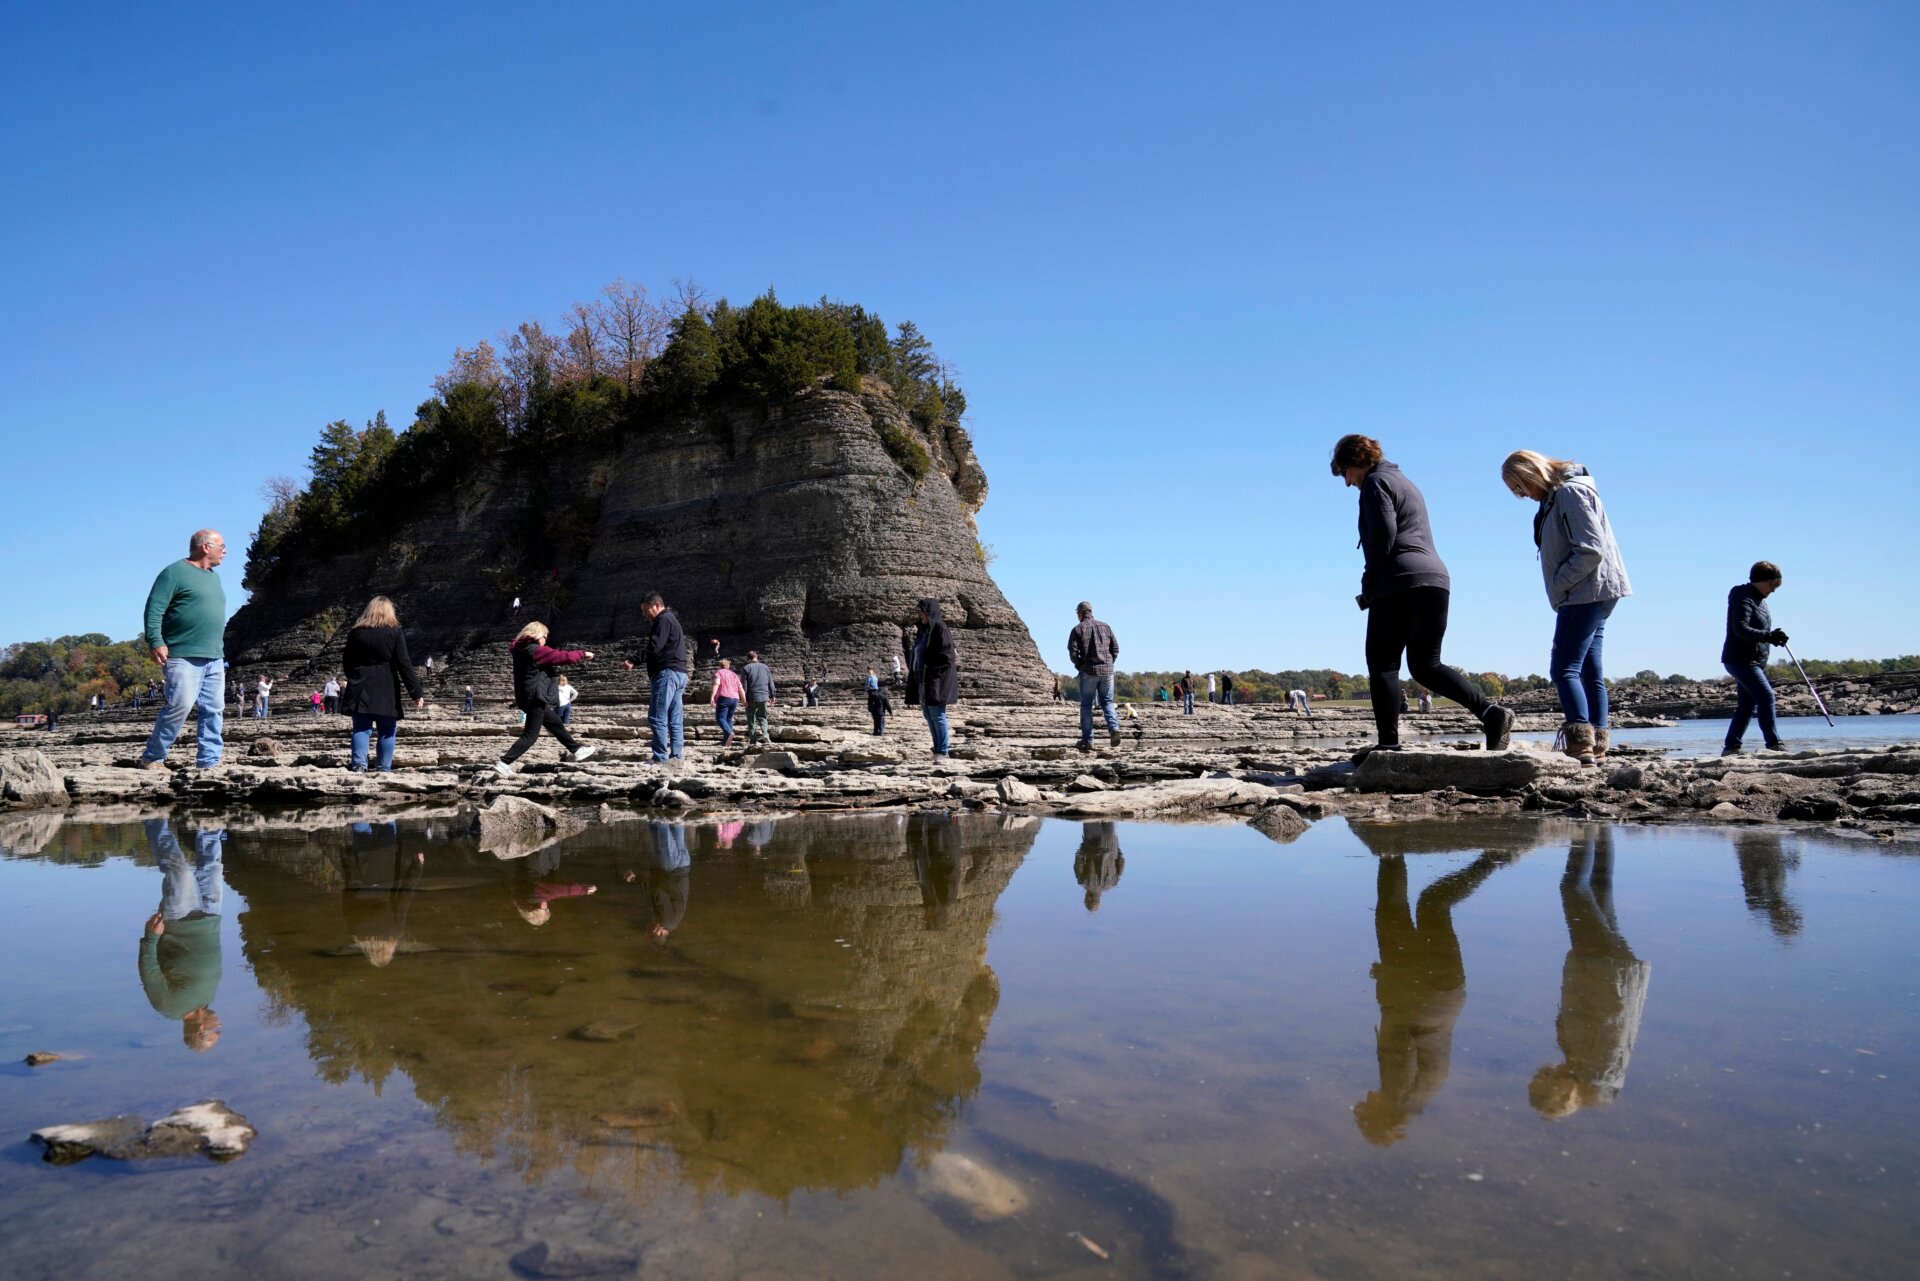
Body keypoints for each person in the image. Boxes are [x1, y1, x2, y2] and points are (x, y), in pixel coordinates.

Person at [1332, 434, 1514, 760]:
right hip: (1436, 580)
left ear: (1355, 461)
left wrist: (1369, 582)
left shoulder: (1376, 482)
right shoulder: (1405, 481)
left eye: (1345, 472)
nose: (1348, 483)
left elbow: (1383, 537)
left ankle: (1388, 745)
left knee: (1383, 663)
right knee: (1426, 665)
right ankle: (1490, 714)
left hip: (1401, 581)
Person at [1353, 846, 1514, 1146]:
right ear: (1378, 1114)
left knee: (1433, 905)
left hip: (1447, 992)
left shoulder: (1416, 1101)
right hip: (1417, 992)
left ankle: (1488, 862)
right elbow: (1401, 1039)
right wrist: (1389, 980)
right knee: (1399, 907)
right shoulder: (1398, 1090)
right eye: (1365, 1107)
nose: (1364, 1098)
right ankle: (1391, 848)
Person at [1503, 450, 1634, 767]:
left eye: (1520, 487)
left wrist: (1560, 583)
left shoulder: (1570, 492)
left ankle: (1581, 744)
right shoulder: (1557, 496)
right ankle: (1597, 747)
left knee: (1563, 668)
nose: (1521, 496)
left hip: (1585, 592)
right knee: (1590, 670)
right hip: (1592, 591)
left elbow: (1591, 550)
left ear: (1532, 473)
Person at [1530, 827, 1651, 1119]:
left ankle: (1599, 823)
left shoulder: (1586, 1069)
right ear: (1560, 1090)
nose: (1543, 1071)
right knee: (1573, 889)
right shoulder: (1594, 1068)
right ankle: (1583, 827)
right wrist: (1587, 961)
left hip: (1611, 970)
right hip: (1603, 968)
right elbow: (1610, 1016)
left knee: (1598, 888)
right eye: (1543, 1078)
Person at [137, 529, 229, 771]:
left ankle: (209, 761)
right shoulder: (174, 572)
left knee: (214, 710)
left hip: (215, 656)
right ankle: (153, 757)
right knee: (180, 705)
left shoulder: (214, 577)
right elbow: (153, 609)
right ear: (205, 547)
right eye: (222, 546)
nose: (225, 551)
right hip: (182, 654)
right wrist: (155, 640)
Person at [138, 818, 225, 1052]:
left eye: (216, 1030)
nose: (220, 1025)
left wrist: (151, 938)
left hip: (179, 919)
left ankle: (153, 815)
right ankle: (209, 820)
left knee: (179, 869)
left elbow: (150, 973)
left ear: (200, 1030)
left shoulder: (168, 1007)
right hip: (211, 916)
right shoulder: (206, 1000)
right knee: (212, 865)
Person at [494, 621, 598, 775]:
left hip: (528, 696)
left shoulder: (521, 649)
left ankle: (576, 749)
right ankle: (504, 762)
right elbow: (561, 656)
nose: (545, 640)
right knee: (530, 735)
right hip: (535, 697)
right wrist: (582, 654)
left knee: (555, 723)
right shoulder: (534, 650)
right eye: (545, 636)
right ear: (537, 635)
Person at [340, 595, 426, 773]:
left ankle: (358, 766)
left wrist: (355, 676)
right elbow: (404, 663)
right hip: (386, 685)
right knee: (387, 730)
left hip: (361, 684)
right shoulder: (394, 632)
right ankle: (384, 768)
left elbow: (347, 661)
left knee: (361, 729)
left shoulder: (356, 632)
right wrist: (415, 692)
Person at [1722, 560, 1790, 755]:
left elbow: (1760, 631)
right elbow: (1740, 629)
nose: (1774, 590)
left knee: (1747, 704)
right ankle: (1774, 744)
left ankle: (1731, 747)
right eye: (1773, 584)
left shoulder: (1762, 602)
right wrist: (1768, 636)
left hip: (1755, 661)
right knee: (1766, 695)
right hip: (1739, 659)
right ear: (1761, 580)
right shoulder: (1741, 595)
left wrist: (1774, 636)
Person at [621, 592, 688, 764]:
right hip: (679, 673)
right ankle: (677, 756)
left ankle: (660, 758)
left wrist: (633, 660)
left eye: (646, 609)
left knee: (657, 717)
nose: (644, 614)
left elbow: (654, 647)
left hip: (667, 673)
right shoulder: (672, 620)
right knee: (674, 718)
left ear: (657, 605)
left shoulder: (663, 620)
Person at [905, 597, 958, 761]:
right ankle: (937, 750)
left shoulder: (940, 628)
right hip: (923, 680)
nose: (920, 615)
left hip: (936, 680)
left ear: (929, 612)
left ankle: (943, 751)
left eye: (922, 612)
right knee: (928, 714)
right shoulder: (924, 629)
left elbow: (948, 656)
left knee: (937, 714)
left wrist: (933, 673)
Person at [1067, 601, 1122, 751]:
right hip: (1107, 672)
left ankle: (1088, 740)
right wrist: (1109, 663)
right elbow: (1115, 648)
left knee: (1086, 706)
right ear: (1090, 611)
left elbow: (1072, 652)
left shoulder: (1077, 629)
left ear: (1080, 613)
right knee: (1108, 702)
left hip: (1088, 671)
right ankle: (1114, 729)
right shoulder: (1106, 626)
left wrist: (1080, 666)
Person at [1073, 821, 1125, 912]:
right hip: (1091, 840)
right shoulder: (1084, 881)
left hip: (1110, 841)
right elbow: (1078, 861)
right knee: (1090, 814)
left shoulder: (1112, 883)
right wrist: (1083, 846)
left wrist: (1116, 848)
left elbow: (1121, 863)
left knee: (1109, 815)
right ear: (1087, 898)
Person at [741, 650, 776, 747]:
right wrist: (772, 695)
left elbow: (744, 686)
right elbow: (770, 682)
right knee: (763, 717)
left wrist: (743, 699)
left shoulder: (746, 668)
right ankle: (765, 735)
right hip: (764, 696)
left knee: (751, 719)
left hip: (751, 697)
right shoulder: (765, 667)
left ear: (748, 658)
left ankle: (753, 740)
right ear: (757, 657)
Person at [710, 658, 744, 746]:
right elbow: (740, 688)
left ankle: (729, 733)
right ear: (728, 666)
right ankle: (726, 741)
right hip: (735, 698)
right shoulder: (734, 674)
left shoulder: (719, 673)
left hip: (724, 696)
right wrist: (743, 700)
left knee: (720, 718)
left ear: (720, 665)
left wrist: (712, 696)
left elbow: (716, 684)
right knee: (728, 719)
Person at [866, 668, 891, 736]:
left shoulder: (872, 695)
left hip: (874, 711)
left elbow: (869, 703)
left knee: (876, 722)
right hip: (881, 712)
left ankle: (875, 733)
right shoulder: (883, 696)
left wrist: (870, 710)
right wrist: (891, 713)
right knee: (881, 723)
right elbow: (888, 705)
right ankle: (881, 733)